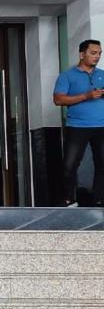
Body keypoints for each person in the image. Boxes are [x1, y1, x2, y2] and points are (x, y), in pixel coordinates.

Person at [54, 39, 104, 206]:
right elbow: (58, 99)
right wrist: (86, 96)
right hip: (77, 127)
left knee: (102, 164)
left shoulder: (102, 75)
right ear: (82, 54)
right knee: (69, 165)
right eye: (93, 53)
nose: (97, 57)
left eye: (99, 53)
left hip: (102, 126)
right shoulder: (67, 75)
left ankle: (99, 201)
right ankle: (69, 200)